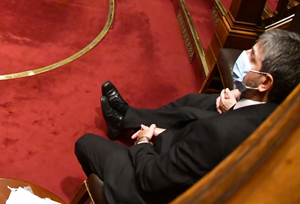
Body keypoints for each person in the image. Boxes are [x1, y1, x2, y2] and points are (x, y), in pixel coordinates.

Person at [75, 29, 300, 204]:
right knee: (195, 103)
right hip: (187, 158)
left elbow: (151, 178)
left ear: (265, 82)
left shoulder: (217, 133)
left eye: (252, 57)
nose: (244, 54)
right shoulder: (281, 117)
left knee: (86, 143)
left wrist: (143, 142)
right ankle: (127, 117)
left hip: (154, 191)